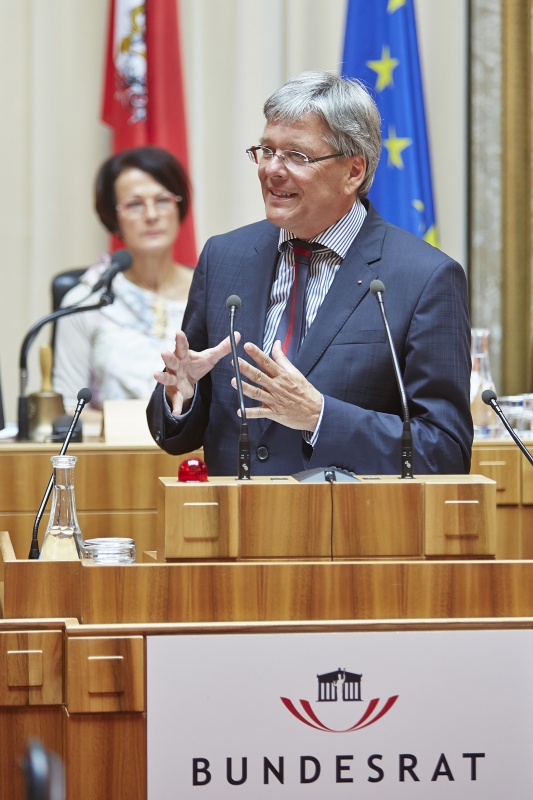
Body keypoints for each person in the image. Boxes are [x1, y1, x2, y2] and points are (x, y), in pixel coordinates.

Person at [147, 71, 473, 477]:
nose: (272, 170)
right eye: (266, 151)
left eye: (296, 156)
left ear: (354, 171)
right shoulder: (224, 257)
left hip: (352, 531)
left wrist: (320, 416)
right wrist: (183, 395)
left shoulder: (426, 278)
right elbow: (177, 432)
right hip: (233, 529)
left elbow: (444, 451)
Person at [53, 145, 194, 413]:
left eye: (163, 200)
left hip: (196, 454)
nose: (152, 215)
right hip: (113, 453)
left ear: (179, 207)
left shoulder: (211, 293)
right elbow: (69, 413)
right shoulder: (86, 301)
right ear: (113, 218)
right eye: (135, 204)